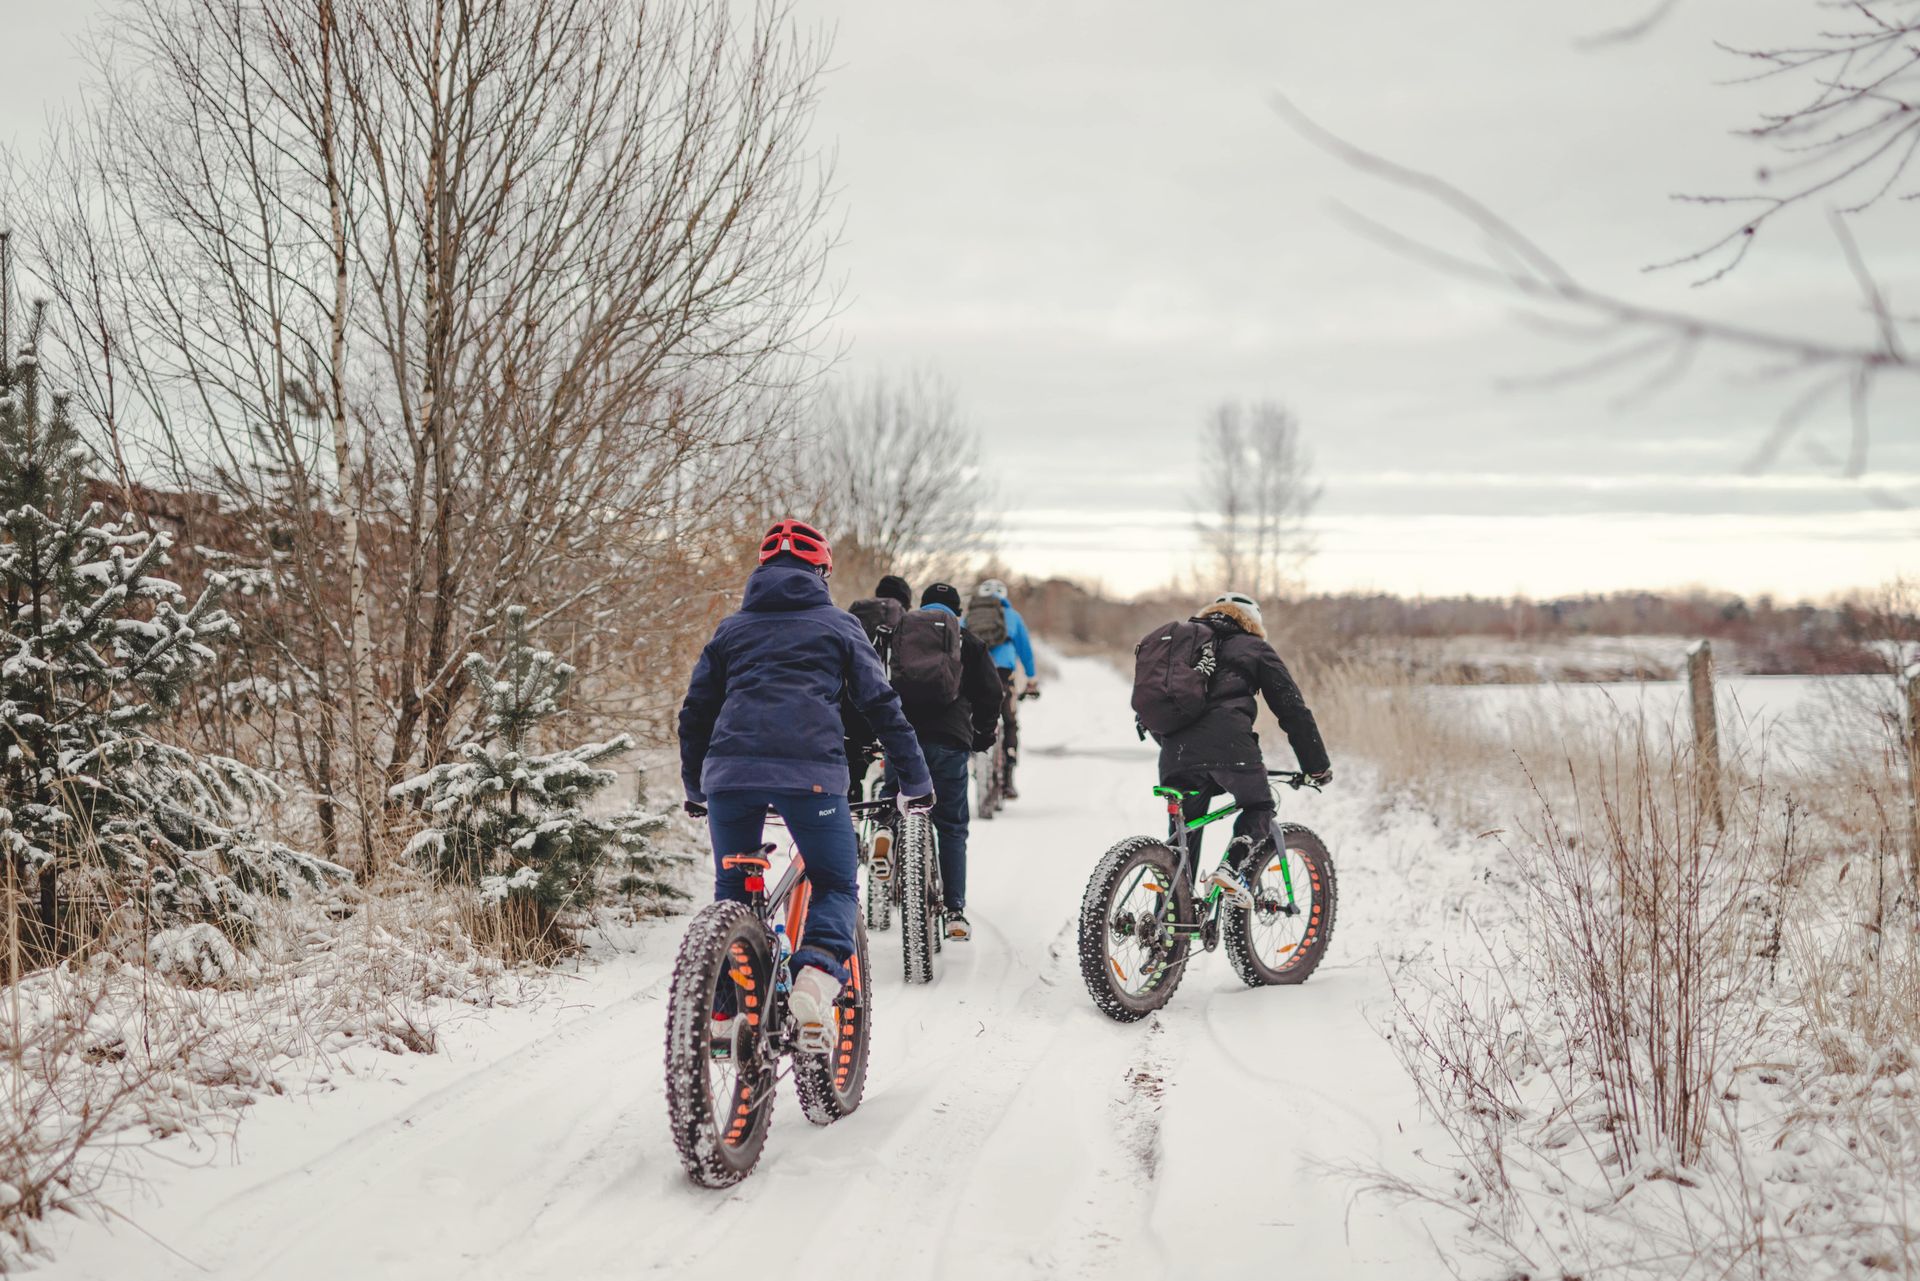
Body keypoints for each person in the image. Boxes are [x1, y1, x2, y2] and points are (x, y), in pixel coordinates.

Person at [678, 520, 933, 1054]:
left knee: (734, 888)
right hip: (811, 777)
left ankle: (723, 1014)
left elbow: (696, 712)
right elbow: (881, 705)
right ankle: (815, 976)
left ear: (761, 570)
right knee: (834, 882)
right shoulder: (839, 626)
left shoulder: (730, 630)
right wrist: (914, 780)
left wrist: (697, 787)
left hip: (730, 777)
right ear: (822, 571)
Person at [1152, 591, 1332, 906]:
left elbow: (1153, 705)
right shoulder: (1255, 648)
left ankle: (1171, 922)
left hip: (1175, 756)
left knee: (1183, 840)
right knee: (1259, 804)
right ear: (1253, 622)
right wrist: (1316, 766)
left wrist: (1180, 750)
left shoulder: (1182, 646)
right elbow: (1292, 710)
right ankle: (1230, 868)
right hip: (1231, 750)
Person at [885, 582, 1003, 940]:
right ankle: (954, 911)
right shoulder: (969, 642)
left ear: (920, 608)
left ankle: (886, 837)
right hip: (950, 743)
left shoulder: (900, 634)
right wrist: (982, 734)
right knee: (951, 826)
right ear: (958, 612)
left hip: (903, 739)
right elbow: (991, 693)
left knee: (893, 804)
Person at [963, 578, 1038, 799]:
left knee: (968, 716)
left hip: (974, 673)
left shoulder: (970, 615)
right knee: (1010, 721)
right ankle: (1008, 777)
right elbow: (1025, 650)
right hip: (1003, 674)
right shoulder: (1012, 616)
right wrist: (1031, 680)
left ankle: (970, 755)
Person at [843, 573, 915, 803]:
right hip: (888, 707)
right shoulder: (906, 620)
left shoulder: (855, 612)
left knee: (852, 769)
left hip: (851, 706)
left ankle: (851, 810)